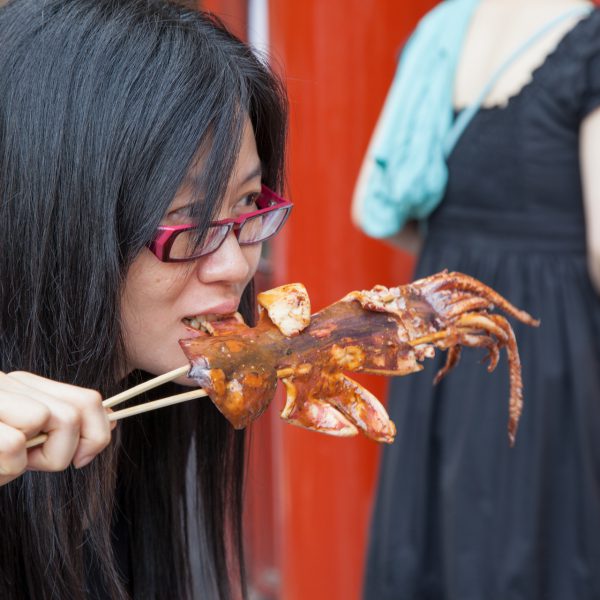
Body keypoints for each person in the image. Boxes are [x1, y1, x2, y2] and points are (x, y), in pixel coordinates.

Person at [0, 0, 289, 598]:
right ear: (54, 221)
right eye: (187, 220)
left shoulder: (140, 422)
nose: (235, 266)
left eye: (246, 203)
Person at [353, 0, 600, 598]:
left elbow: (378, 206)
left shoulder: (443, 30)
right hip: (545, 340)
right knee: (540, 536)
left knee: (443, 534)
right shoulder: (589, 45)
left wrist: (467, 256)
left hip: (443, 320)